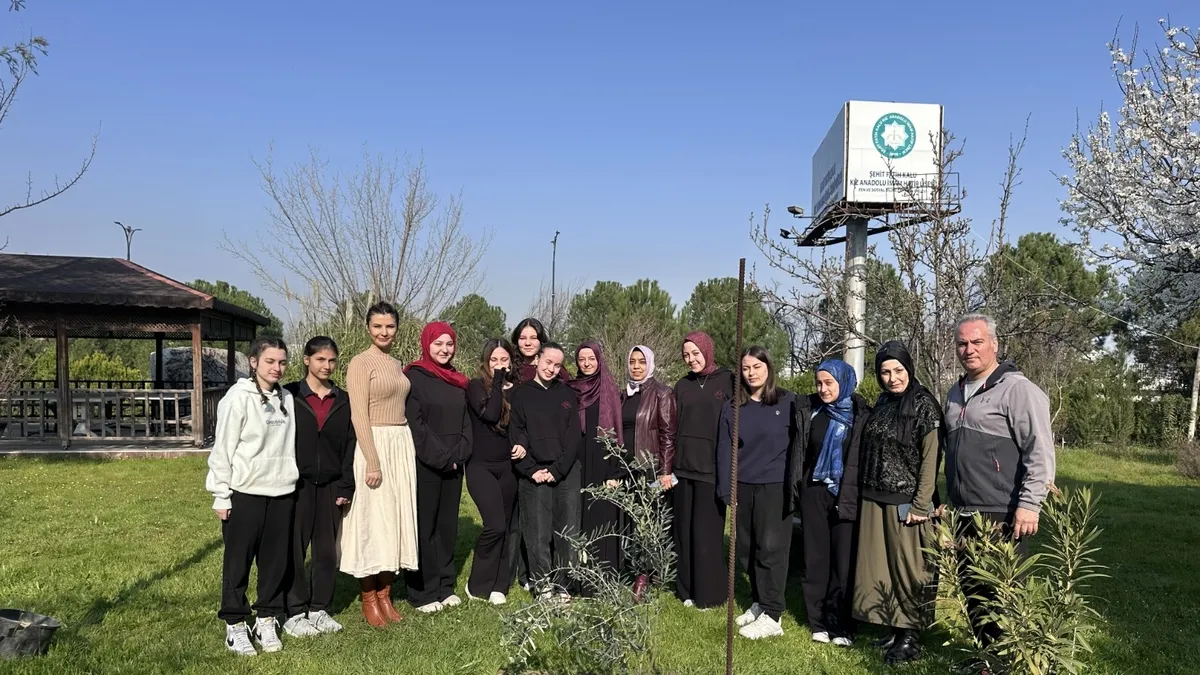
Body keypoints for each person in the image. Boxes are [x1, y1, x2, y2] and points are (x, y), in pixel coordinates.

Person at [945, 313, 1056, 647]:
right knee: (974, 592)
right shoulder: (954, 391)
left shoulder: (1018, 390)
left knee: (1003, 594)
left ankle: (1010, 661)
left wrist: (1029, 505)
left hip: (1002, 511)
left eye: (977, 342)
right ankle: (987, 660)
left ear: (994, 344)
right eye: (962, 343)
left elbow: (1040, 450)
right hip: (964, 511)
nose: (969, 349)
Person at [852, 341, 942, 664]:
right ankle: (893, 627)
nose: (892, 378)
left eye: (898, 370)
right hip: (876, 497)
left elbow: (931, 460)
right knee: (883, 569)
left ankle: (910, 638)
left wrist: (920, 505)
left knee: (909, 569)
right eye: (885, 372)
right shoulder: (883, 402)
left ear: (909, 368)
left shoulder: (924, 405)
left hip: (907, 503)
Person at [206, 336, 298, 656]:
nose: (277, 367)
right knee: (238, 563)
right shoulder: (237, 398)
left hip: (283, 492)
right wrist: (221, 494)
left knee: (274, 563)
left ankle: (267, 618)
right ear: (254, 362)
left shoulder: (287, 398)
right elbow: (223, 449)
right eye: (270, 361)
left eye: (282, 362)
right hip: (245, 493)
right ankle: (234, 625)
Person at [339, 302, 419, 628]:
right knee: (372, 520)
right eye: (377, 327)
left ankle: (386, 594)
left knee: (395, 519)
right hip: (374, 444)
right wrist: (372, 460)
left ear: (396, 329)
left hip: (400, 442)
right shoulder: (360, 363)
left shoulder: (395, 363)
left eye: (389, 327)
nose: (384, 332)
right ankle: (368, 597)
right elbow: (359, 414)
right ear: (368, 328)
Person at [716, 346, 797, 640]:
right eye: (746, 369)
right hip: (744, 485)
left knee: (771, 548)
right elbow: (724, 449)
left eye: (756, 367)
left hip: (775, 486)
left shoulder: (788, 402)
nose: (751, 373)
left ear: (768, 368)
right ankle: (759, 602)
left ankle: (774, 614)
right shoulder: (734, 407)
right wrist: (727, 489)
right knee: (747, 549)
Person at [282, 337, 356, 638]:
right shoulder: (289, 395)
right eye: (320, 359)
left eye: (332, 360)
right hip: (296, 485)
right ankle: (295, 611)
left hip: (330, 485)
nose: (326, 366)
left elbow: (351, 445)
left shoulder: (344, 400)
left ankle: (319, 608)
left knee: (326, 552)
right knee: (295, 551)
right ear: (306, 360)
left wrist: (346, 485)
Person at [796, 359, 870, 646]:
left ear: (845, 382)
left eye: (829, 383)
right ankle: (817, 621)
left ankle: (840, 624)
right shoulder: (811, 411)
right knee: (815, 559)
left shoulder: (862, 415)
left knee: (843, 561)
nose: (823, 389)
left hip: (847, 495)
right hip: (814, 493)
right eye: (819, 383)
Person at [404, 322, 474, 613]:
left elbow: (466, 423)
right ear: (427, 344)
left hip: (454, 465)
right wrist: (443, 457)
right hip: (427, 463)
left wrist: (460, 453)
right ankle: (423, 592)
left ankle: (445, 586)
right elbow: (416, 425)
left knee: (447, 528)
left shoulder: (458, 380)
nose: (444, 350)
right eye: (438, 344)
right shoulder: (413, 378)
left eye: (449, 344)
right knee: (425, 527)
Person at [508, 342, 583, 598]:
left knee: (567, 532)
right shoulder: (520, 394)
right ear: (538, 360)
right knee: (537, 533)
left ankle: (565, 586)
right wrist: (531, 470)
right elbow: (517, 432)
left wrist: (558, 470)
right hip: (535, 473)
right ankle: (543, 586)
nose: (551, 368)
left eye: (557, 365)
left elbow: (574, 437)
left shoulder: (566, 395)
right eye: (548, 362)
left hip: (565, 472)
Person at [672, 331, 735, 610]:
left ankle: (709, 594)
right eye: (686, 355)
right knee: (683, 532)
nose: (691, 359)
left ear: (707, 351)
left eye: (695, 353)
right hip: (683, 468)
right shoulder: (681, 385)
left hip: (712, 470)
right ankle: (685, 590)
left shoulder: (728, 380)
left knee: (707, 534)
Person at [507, 317, 566, 592]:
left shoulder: (556, 373)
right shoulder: (511, 372)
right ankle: (525, 573)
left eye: (533, 337)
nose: (528, 342)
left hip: (547, 456)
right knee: (523, 521)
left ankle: (545, 574)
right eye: (523, 337)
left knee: (543, 521)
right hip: (518, 452)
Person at [464, 339, 523, 605]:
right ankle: (477, 584)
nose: (499, 365)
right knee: (494, 525)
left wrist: (523, 444)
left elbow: (524, 425)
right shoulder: (476, 387)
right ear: (486, 362)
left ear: (511, 361)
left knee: (507, 526)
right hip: (480, 467)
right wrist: (498, 381)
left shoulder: (519, 390)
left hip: (507, 467)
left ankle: (500, 584)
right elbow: (489, 415)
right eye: (494, 361)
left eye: (504, 360)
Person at [568, 341, 626, 584]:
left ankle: (604, 578)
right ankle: (580, 576)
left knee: (602, 517)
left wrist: (614, 470)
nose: (587, 363)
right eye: (582, 359)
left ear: (599, 359)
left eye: (591, 358)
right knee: (578, 517)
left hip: (603, 462)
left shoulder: (609, 388)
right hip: (577, 463)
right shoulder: (570, 389)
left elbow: (616, 430)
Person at [622, 345, 677, 488]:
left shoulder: (662, 394)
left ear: (650, 363)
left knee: (647, 510)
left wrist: (665, 470)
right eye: (632, 362)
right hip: (625, 469)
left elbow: (668, 435)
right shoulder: (624, 394)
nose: (636, 366)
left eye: (642, 361)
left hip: (648, 469)